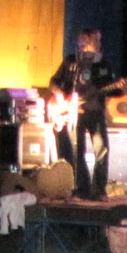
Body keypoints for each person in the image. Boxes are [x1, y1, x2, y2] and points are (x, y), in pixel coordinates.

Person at [49, 28, 117, 201]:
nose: (99, 43)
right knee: (76, 150)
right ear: (86, 41)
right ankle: (81, 188)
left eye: (99, 40)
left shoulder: (103, 64)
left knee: (101, 149)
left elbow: (112, 88)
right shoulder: (71, 61)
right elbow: (54, 82)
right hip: (73, 112)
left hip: (95, 111)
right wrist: (60, 96)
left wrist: (119, 87)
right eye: (95, 40)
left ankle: (99, 190)